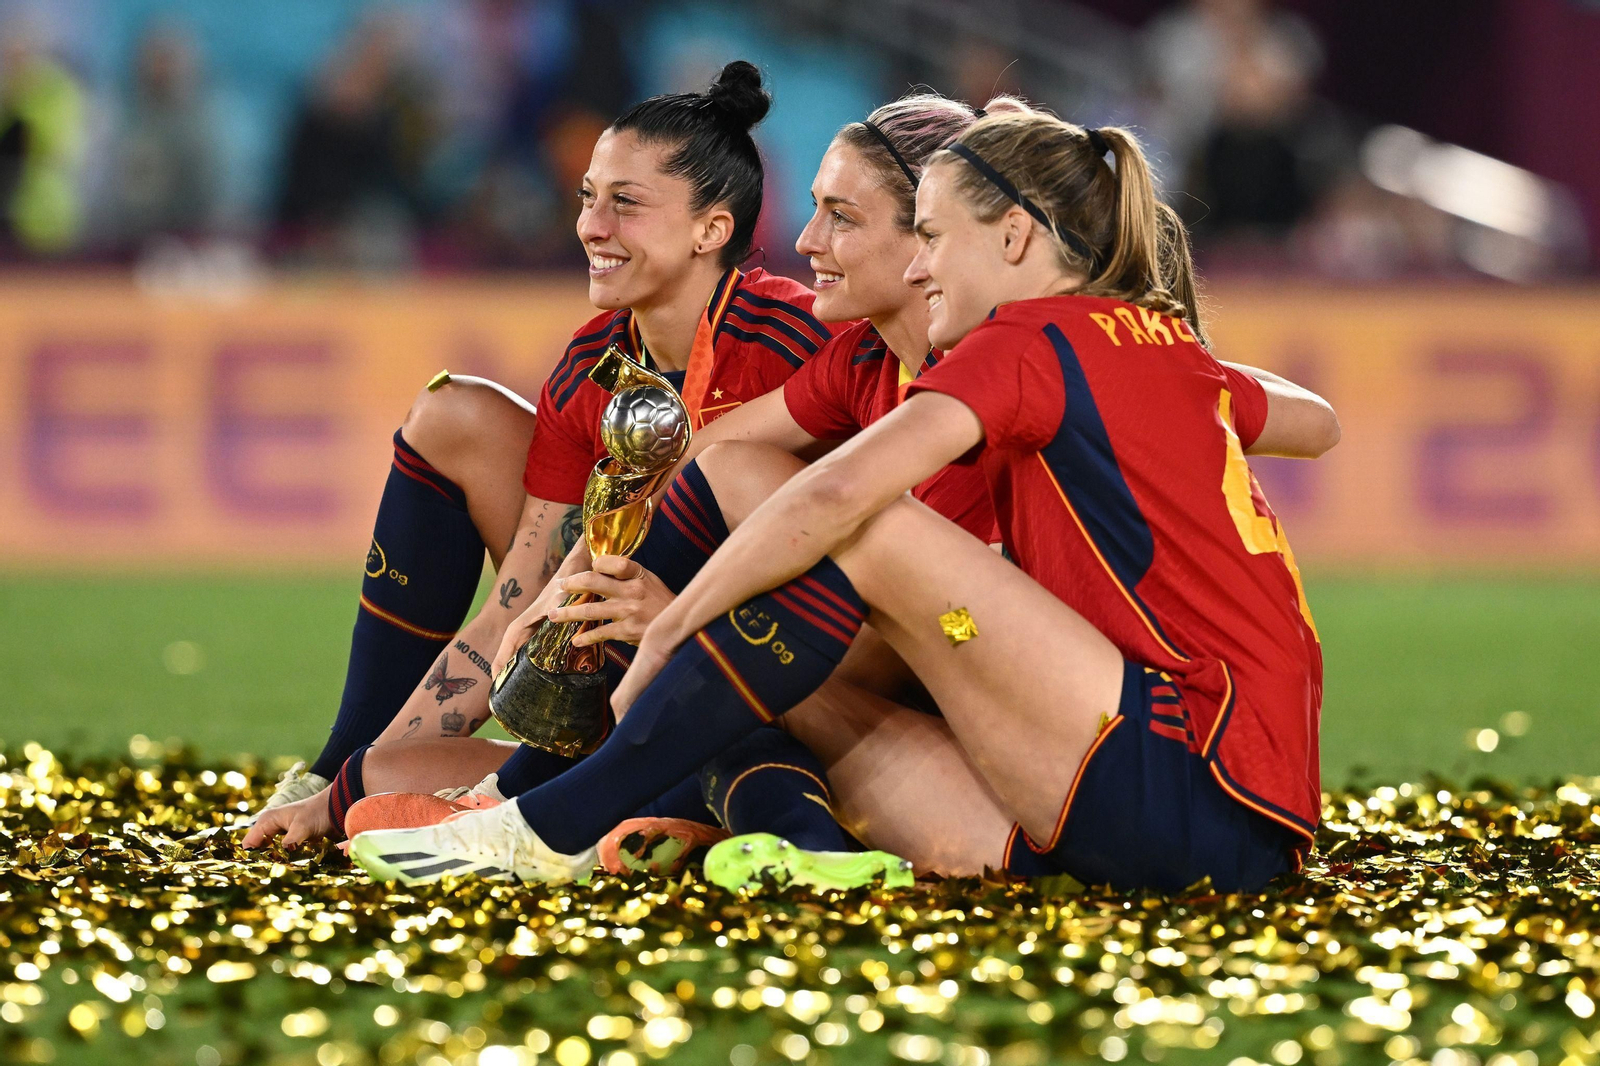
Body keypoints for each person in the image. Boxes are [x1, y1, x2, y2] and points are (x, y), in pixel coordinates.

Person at [349, 104, 1338, 893]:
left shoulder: (1029, 341)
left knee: (860, 526)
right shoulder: (1142, 343)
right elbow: (1316, 421)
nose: (917, 263)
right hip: (1227, 808)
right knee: (763, 519)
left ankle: (548, 818)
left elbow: (842, 488)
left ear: (1015, 236)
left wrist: (673, 625)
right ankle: (754, 831)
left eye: (934, 238)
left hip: (1176, 770)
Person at [242, 61, 834, 849]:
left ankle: (624, 812)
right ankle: (365, 771)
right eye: (589, 196)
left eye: (626, 203)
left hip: (763, 680)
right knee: (368, 789)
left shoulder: (795, 343)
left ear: (711, 229)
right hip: (618, 689)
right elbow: (522, 604)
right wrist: (340, 782)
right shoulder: (589, 363)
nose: (591, 225)